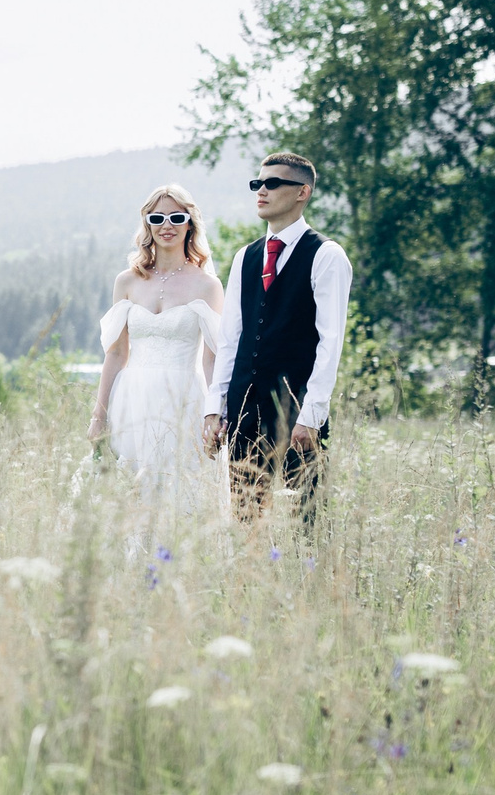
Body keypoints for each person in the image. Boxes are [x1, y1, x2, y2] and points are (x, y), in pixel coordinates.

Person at [203, 152, 353, 522]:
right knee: (246, 523)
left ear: (303, 191)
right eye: (257, 183)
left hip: (296, 413)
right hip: (243, 412)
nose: (261, 190)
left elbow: (330, 342)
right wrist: (215, 407)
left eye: (273, 183)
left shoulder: (326, 255)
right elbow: (230, 339)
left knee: (305, 523)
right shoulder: (246, 257)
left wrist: (312, 415)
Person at [89, 183, 225, 521]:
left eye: (177, 217)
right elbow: (116, 354)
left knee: (179, 496)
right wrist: (99, 415)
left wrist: (216, 412)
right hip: (130, 402)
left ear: (190, 224)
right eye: (158, 217)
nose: (167, 225)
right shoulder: (127, 281)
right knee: (128, 495)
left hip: (183, 400)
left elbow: (212, 358)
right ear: (147, 224)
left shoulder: (207, 286)